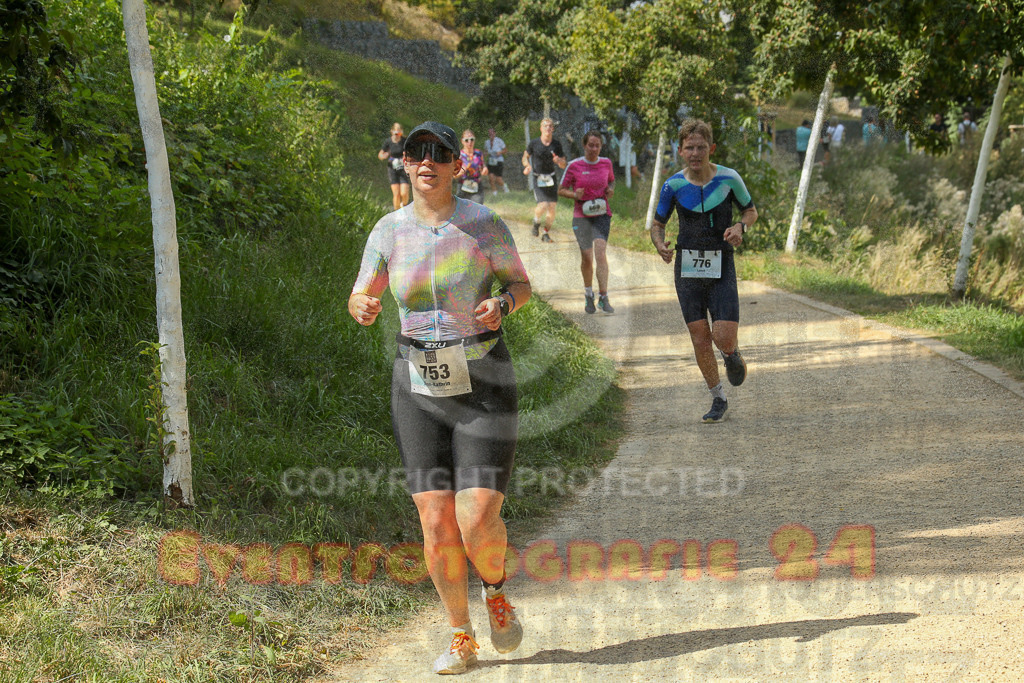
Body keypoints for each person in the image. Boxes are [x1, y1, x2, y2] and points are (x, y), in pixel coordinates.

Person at [349, 121, 530, 675]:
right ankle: (460, 634)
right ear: (404, 163)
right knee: (435, 522)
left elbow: (519, 285)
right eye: (416, 152)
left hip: (483, 381)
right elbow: (364, 290)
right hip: (417, 383)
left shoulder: (483, 223)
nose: (427, 160)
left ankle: (495, 590)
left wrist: (502, 305)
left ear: (457, 165)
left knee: (476, 520)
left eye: (439, 153)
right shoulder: (386, 231)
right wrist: (360, 305)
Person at [649, 119, 757, 423]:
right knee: (699, 336)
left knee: (721, 336)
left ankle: (731, 353)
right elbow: (657, 225)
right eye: (689, 148)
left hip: (721, 263)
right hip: (687, 267)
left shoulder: (729, 178)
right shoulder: (673, 185)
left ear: (711, 149)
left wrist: (740, 226)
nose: (695, 153)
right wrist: (659, 244)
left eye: (700, 147)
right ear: (681, 151)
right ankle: (718, 398)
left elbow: (750, 211)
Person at [558, 130, 616, 314]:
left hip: (601, 214)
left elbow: (612, 182)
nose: (594, 149)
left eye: (597, 145)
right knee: (587, 257)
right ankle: (588, 294)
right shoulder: (574, 165)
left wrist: (610, 190)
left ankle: (604, 296)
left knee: (600, 253)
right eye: (590, 145)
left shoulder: (606, 163)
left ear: (601, 147)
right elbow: (561, 189)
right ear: (584, 145)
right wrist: (575, 195)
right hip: (581, 217)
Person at [522, 118, 567, 242]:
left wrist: (559, 161)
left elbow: (564, 164)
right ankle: (536, 222)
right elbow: (525, 156)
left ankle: (546, 233)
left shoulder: (556, 144)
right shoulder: (534, 143)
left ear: (553, 129)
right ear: (541, 128)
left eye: (550, 126)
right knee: (543, 204)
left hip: (551, 178)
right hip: (538, 177)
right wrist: (527, 165)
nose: (548, 128)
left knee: (552, 207)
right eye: (545, 126)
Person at [378, 122, 411, 210]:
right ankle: (396, 214)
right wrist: (383, 156)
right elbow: (380, 154)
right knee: (396, 194)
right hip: (392, 168)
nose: (397, 135)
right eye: (395, 132)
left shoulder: (405, 141)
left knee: (404, 193)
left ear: (401, 132)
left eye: (399, 132)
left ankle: (403, 206)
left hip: (403, 168)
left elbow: (411, 152)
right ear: (392, 132)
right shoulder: (388, 141)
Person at [458, 129, 488, 205]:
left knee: (477, 210)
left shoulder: (478, 153)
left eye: (472, 139)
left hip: (476, 185)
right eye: (466, 140)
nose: (469, 142)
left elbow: (482, 167)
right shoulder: (459, 155)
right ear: (462, 141)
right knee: (462, 211)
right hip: (463, 185)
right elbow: (453, 174)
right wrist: (461, 172)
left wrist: (484, 169)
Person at [483, 128, 509, 196]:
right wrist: (485, 154)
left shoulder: (499, 141)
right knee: (491, 178)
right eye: (489, 133)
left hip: (498, 160)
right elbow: (485, 151)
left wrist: (500, 152)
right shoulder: (486, 142)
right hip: (491, 161)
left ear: (494, 133)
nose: (491, 134)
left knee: (498, 179)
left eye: (492, 133)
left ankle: (504, 186)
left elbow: (505, 150)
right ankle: (495, 193)